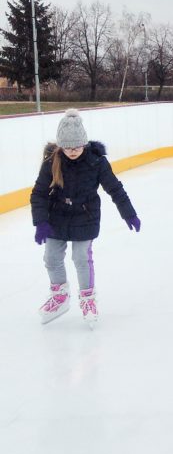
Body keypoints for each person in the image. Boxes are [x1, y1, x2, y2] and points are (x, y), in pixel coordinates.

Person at [30, 109, 141, 327]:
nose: (73, 151)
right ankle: (60, 295)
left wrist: (129, 213)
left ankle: (88, 300)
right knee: (51, 257)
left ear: (84, 143)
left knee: (81, 257)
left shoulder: (96, 162)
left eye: (77, 147)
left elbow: (115, 189)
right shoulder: (52, 161)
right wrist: (41, 221)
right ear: (61, 146)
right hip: (57, 214)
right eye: (68, 147)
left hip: (85, 214)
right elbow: (39, 193)